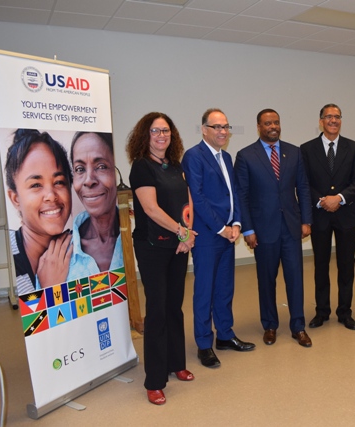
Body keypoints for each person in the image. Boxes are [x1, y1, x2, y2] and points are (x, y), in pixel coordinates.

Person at [126, 112, 196, 405]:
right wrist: (183, 233)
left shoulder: (175, 165)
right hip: (152, 246)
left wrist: (187, 233)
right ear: (146, 135)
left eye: (165, 130)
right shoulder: (141, 167)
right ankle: (154, 380)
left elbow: (187, 200)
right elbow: (151, 210)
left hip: (177, 244)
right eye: (155, 131)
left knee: (174, 306)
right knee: (156, 310)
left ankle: (175, 363)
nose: (161, 135)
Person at [182, 108, 255, 369]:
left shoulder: (226, 157)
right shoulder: (194, 156)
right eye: (217, 127)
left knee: (225, 288)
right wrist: (221, 227)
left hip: (227, 233)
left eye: (225, 127)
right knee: (204, 290)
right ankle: (204, 344)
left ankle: (224, 335)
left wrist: (236, 223)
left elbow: (233, 193)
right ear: (204, 129)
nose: (223, 131)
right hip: (208, 235)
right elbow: (197, 197)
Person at [234, 109, 313, 347]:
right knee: (266, 280)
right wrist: (248, 229)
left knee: (295, 279)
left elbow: (304, 188)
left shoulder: (294, 152)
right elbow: (242, 196)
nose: (273, 126)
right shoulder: (246, 155)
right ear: (259, 126)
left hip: (291, 227)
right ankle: (270, 325)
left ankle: (298, 326)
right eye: (268, 123)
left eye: (276, 122)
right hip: (263, 229)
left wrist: (306, 220)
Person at [301, 104, 355, 331]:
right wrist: (322, 200)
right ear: (321, 121)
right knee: (321, 265)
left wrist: (338, 198)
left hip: (345, 215)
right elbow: (304, 183)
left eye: (337, 117)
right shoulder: (306, 149)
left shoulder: (353, 147)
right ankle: (322, 311)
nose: (333, 120)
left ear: (341, 120)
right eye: (328, 117)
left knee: (346, 265)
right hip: (319, 216)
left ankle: (345, 312)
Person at [5, 129, 73, 295]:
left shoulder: (81, 250)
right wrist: (48, 290)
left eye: (59, 182)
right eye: (36, 185)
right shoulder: (6, 258)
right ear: (15, 199)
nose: (51, 196)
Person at [67, 132, 122, 280]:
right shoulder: (59, 257)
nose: (89, 180)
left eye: (101, 166)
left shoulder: (132, 239)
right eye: (80, 169)